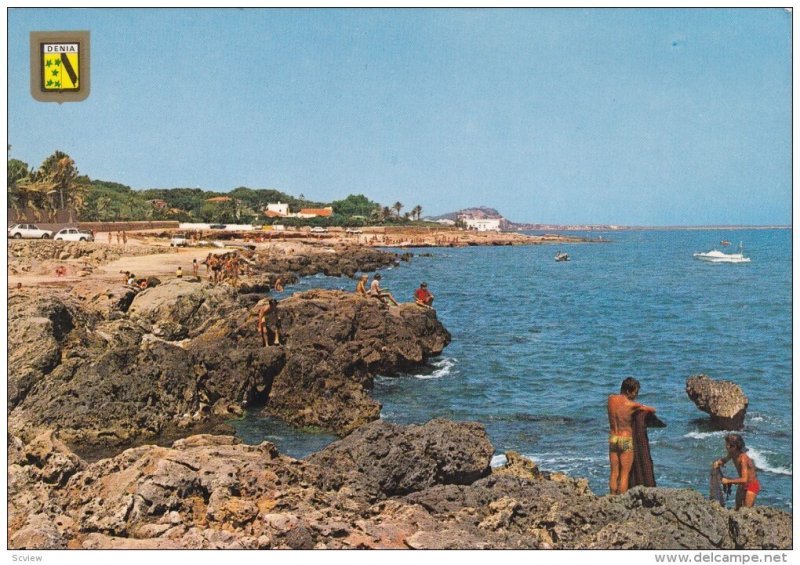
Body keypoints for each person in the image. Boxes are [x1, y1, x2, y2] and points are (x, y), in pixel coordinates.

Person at [607, 377, 656, 495]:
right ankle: (621, 501)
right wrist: (641, 406)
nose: (636, 395)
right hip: (625, 439)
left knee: (614, 472)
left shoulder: (610, 399)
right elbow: (652, 410)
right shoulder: (632, 405)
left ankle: (611, 498)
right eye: (635, 392)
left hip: (613, 438)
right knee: (624, 475)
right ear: (628, 391)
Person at [714, 434, 759, 509]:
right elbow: (725, 460)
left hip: (752, 485)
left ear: (734, 447)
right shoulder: (732, 453)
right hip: (742, 485)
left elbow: (744, 479)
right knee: (738, 508)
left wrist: (728, 481)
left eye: (727, 445)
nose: (725, 446)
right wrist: (719, 462)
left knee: (746, 511)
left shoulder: (743, 459)